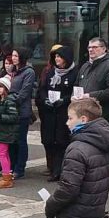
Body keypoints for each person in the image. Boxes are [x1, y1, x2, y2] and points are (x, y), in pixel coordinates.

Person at [37, 45, 77, 181]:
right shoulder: (51, 72)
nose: (57, 59)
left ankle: (59, 171)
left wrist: (64, 100)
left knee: (61, 141)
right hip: (49, 112)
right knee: (48, 140)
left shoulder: (74, 73)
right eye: (55, 57)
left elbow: (74, 91)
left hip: (64, 112)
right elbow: (42, 89)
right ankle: (52, 167)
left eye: (59, 57)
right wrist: (45, 100)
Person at [75, 37, 109, 127]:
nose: (91, 50)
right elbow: (77, 85)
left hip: (101, 116)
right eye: (89, 47)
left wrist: (89, 96)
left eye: (95, 47)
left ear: (104, 49)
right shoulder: (85, 66)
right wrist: (74, 96)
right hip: (82, 114)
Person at [7, 48, 37, 179]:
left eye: (16, 55)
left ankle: (20, 168)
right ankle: (12, 166)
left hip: (22, 110)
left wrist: (12, 100)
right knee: (11, 141)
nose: (13, 58)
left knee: (20, 140)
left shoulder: (28, 72)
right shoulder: (13, 71)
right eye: (12, 55)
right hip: (11, 110)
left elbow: (25, 92)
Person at [0, 76, 20, 189]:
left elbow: (14, 117)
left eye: (1, 87)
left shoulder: (9, 100)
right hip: (0, 131)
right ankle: (6, 174)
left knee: (2, 153)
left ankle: (7, 178)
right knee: (4, 153)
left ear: (6, 88)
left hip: (6, 132)